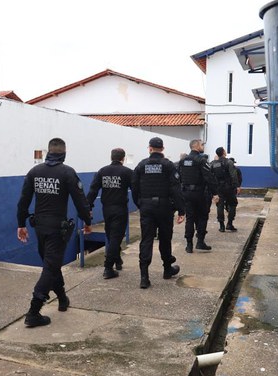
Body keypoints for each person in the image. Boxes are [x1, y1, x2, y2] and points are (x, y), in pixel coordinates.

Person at [16, 138, 92, 327]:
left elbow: (23, 200)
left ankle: (62, 298)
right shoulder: (67, 172)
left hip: (40, 228)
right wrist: (88, 222)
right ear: (64, 153)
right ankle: (33, 311)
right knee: (50, 267)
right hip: (57, 229)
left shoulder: (35, 172)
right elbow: (80, 201)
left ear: (48, 151)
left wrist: (21, 224)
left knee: (52, 265)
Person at [131, 137, 186, 289]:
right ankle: (167, 269)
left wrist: (140, 204)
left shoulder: (141, 165)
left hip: (146, 207)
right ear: (162, 149)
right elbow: (176, 188)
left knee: (146, 240)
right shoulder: (168, 165)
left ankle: (144, 277)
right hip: (164, 207)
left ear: (149, 148)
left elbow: (134, 187)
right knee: (165, 238)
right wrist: (181, 210)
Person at [86, 148, 133, 279]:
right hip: (120, 209)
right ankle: (108, 268)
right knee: (116, 236)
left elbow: (93, 190)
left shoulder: (102, 171)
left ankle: (117, 260)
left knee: (112, 235)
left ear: (111, 157)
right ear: (123, 158)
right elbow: (136, 190)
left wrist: (88, 207)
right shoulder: (127, 172)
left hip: (106, 209)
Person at [178, 139, 219, 253]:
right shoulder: (201, 160)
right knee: (202, 216)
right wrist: (215, 193)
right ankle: (200, 242)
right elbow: (209, 177)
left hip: (186, 193)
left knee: (190, 218)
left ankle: (189, 245)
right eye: (202, 145)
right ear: (196, 146)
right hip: (200, 193)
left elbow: (179, 177)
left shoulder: (183, 161)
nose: (203, 146)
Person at [212, 147, 240, 232]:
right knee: (233, 204)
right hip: (229, 188)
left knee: (219, 205)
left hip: (218, 188)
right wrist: (237, 186)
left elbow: (211, 176)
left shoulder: (213, 163)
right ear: (224, 152)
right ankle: (230, 223)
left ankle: (221, 226)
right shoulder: (229, 162)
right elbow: (233, 175)